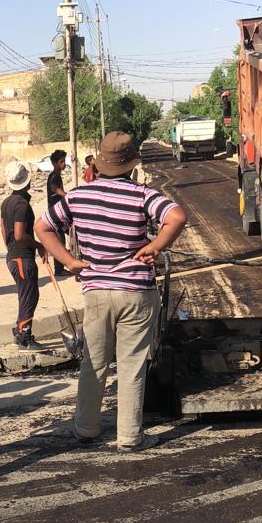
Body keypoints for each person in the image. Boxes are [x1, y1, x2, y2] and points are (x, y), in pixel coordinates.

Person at [36, 132, 187, 451]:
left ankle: (86, 428)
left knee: (94, 361)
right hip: (136, 292)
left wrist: (69, 261)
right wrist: (155, 246)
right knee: (132, 364)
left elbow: (43, 227)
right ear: (132, 165)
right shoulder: (142, 195)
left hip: (97, 291)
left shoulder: (78, 196)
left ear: (100, 163)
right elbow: (176, 216)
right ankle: (130, 436)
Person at [1, 161, 45, 350]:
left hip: (14, 255)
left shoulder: (7, 202)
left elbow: (4, 230)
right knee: (29, 296)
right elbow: (19, 235)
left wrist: (10, 248)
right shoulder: (22, 205)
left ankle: (20, 329)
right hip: (22, 257)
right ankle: (24, 336)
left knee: (27, 294)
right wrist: (40, 246)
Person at [46, 149, 67, 277]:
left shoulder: (57, 175)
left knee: (62, 238)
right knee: (59, 241)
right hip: (55, 213)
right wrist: (66, 195)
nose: (63, 164)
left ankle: (61, 265)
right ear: (54, 163)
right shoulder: (54, 176)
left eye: (64, 161)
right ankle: (59, 269)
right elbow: (54, 188)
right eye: (61, 162)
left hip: (59, 212)